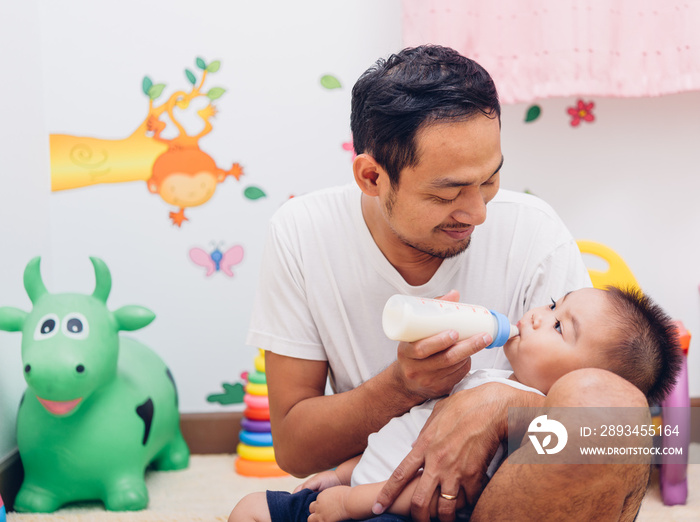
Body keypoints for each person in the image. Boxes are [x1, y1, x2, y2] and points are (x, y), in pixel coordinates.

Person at [246, 44, 645, 520]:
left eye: (490, 181)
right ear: (373, 176)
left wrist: (500, 405)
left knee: (608, 403)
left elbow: (617, 437)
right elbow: (294, 452)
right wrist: (401, 386)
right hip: (377, 492)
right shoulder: (303, 232)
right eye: (447, 193)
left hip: (498, 503)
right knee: (251, 511)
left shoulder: (534, 231)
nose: (477, 213)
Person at [231, 286, 682, 522]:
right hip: (353, 489)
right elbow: (403, 440)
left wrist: (352, 502)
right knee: (249, 508)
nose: (539, 316)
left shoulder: (537, 430)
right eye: (552, 305)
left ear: (579, 379)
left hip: (387, 511)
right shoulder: (485, 376)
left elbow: (450, 495)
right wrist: (338, 475)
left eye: (560, 327)